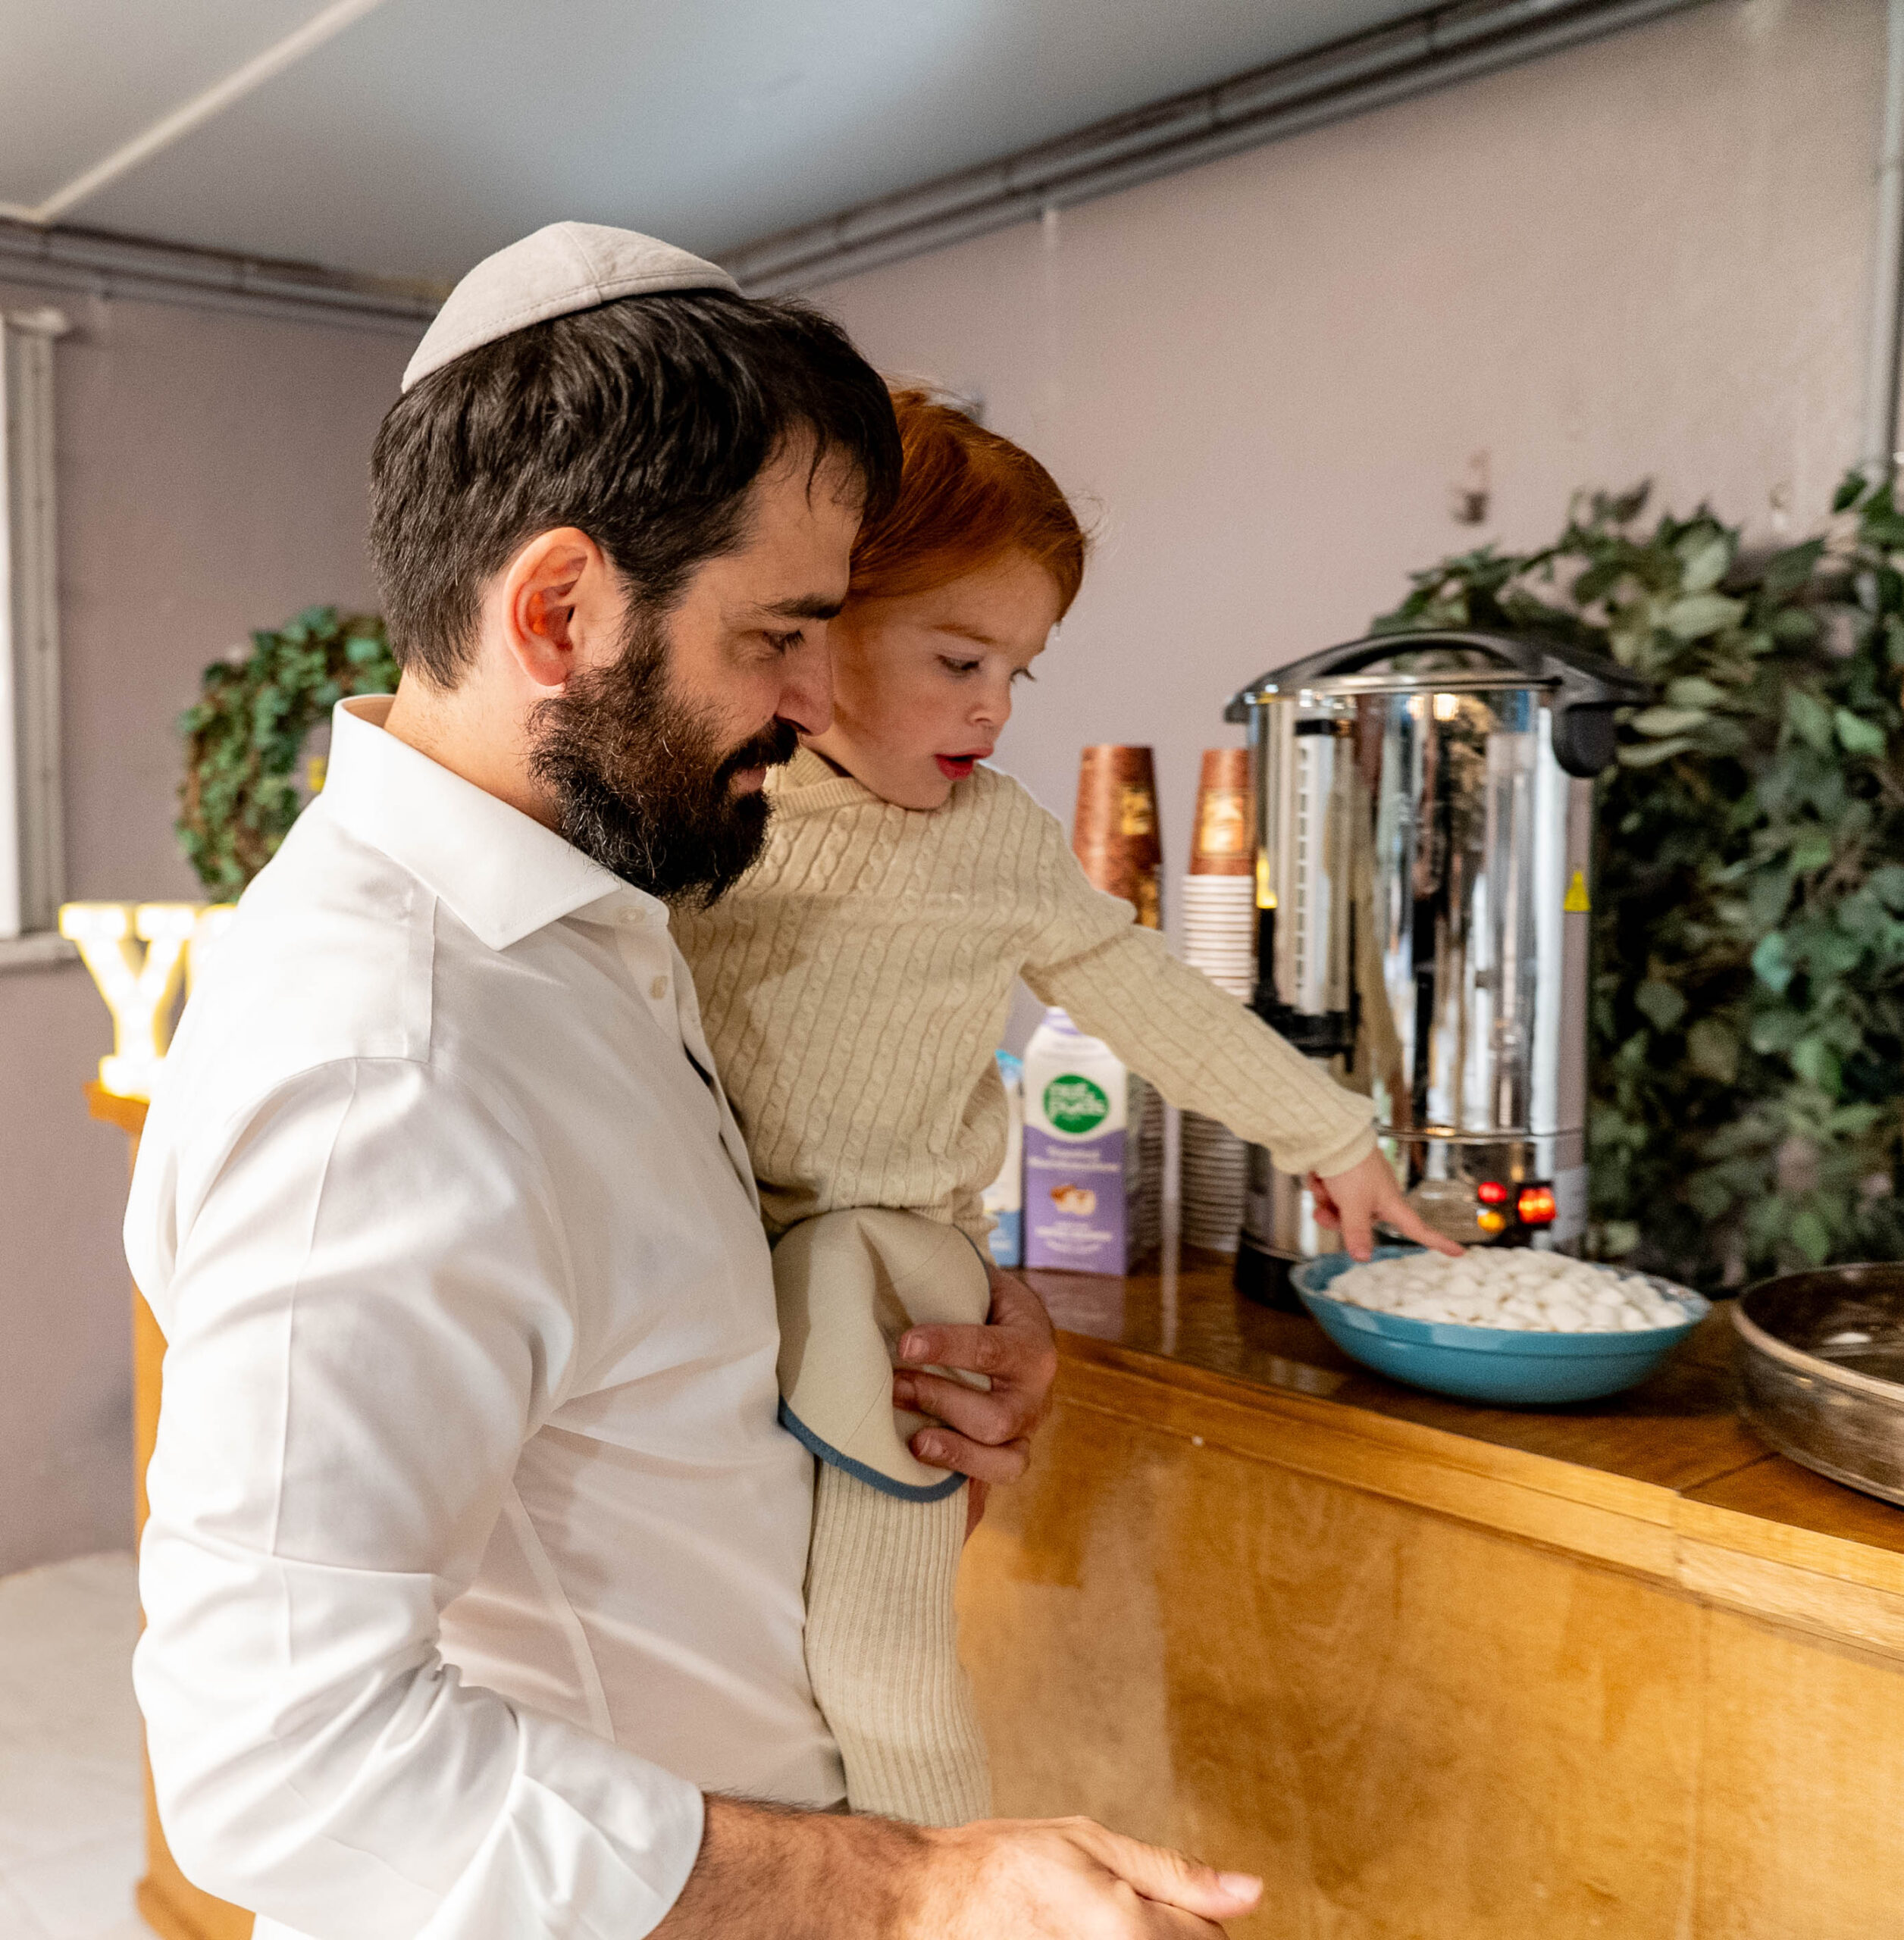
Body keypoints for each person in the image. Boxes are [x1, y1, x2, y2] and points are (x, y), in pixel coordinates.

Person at [126, 226, 1264, 1940]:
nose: (813, 700)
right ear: (559, 612)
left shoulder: (599, 918)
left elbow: (629, 1364)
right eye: (778, 634)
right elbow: (286, 1762)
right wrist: (908, 1889)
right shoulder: (389, 1065)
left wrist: (925, 1324)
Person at [675, 390, 1463, 1829]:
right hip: (708, 1289)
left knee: (885, 1665)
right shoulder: (714, 821)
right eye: (959, 658)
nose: (994, 707)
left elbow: (1143, 990)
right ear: (819, 628)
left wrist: (1332, 1137)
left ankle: (952, 1885)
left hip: (897, 1296)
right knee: (737, 1668)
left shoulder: (1000, 845)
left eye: (1018, 672)